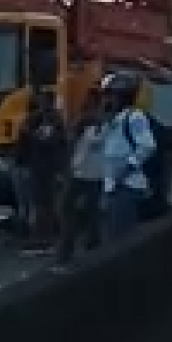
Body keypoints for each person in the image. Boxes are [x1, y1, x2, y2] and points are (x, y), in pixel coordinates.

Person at [98, 72, 157, 239]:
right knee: (112, 234)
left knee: (123, 238)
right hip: (111, 186)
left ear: (123, 97)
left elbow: (147, 146)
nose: (106, 100)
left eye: (110, 96)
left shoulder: (134, 117)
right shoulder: (111, 119)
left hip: (126, 186)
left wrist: (126, 169)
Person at [55, 90, 106, 265]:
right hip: (79, 172)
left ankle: (88, 246)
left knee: (90, 213)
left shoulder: (101, 123)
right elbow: (72, 146)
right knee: (67, 208)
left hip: (93, 175)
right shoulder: (83, 123)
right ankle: (69, 247)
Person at [14, 90, 68, 254]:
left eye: (44, 102)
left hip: (49, 167)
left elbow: (48, 139)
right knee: (39, 202)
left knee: (48, 202)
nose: (42, 105)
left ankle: (48, 236)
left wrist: (29, 133)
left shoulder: (53, 119)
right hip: (38, 166)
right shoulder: (36, 118)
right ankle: (42, 235)